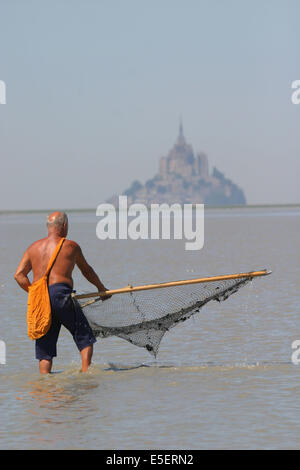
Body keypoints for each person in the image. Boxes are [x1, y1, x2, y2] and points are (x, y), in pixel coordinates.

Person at [14, 211, 110, 374]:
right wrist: (101, 289)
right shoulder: (70, 246)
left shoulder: (33, 248)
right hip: (61, 294)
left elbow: (19, 275)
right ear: (64, 226)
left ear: (48, 227)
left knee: (45, 350)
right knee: (85, 338)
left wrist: (35, 293)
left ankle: (45, 385)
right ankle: (86, 374)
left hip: (42, 298)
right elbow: (87, 271)